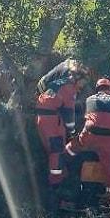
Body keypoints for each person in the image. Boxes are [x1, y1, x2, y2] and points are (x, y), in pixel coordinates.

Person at [64, 77, 110, 207]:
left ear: (97, 89)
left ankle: (63, 179)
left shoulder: (90, 99)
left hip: (89, 135)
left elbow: (87, 117)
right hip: (109, 140)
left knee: (68, 152)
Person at [34, 60, 85, 203]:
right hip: (51, 121)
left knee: (54, 152)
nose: (83, 85)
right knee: (57, 152)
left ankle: (58, 180)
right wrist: (73, 131)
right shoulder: (69, 88)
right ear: (76, 78)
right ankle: (55, 187)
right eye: (82, 81)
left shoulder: (56, 83)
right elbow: (69, 113)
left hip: (42, 119)